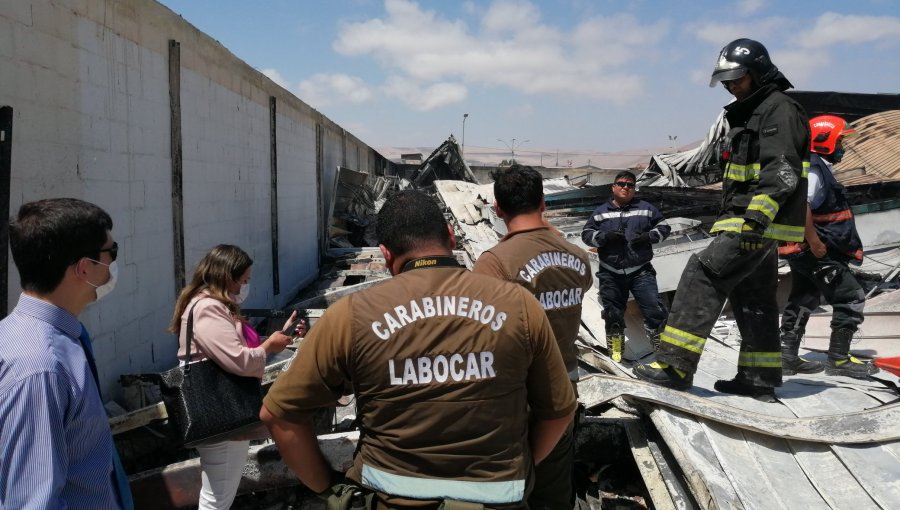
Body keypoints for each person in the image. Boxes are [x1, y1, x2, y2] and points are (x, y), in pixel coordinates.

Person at [261, 190, 576, 509]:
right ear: (451, 237)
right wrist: (519, 468)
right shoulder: (519, 305)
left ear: (385, 254)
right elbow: (560, 411)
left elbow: (278, 414)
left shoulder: (351, 316)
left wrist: (330, 490)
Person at [634, 38, 810, 401]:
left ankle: (675, 366)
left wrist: (755, 221)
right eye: (726, 80)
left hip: (750, 221)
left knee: (702, 273)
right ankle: (758, 378)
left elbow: (783, 172)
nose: (731, 86)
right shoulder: (753, 111)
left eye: (738, 79)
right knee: (754, 297)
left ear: (759, 72)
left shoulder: (778, 109)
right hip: (755, 223)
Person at [472, 164, 593, 510]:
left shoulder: (495, 264)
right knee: (553, 489)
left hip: (516, 398)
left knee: (507, 491)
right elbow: (583, 282)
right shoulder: (577, 256)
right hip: (564, 391)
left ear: (497, 209)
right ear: (543, 202)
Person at [0, 198, 133, 508]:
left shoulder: (52, 339)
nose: (114, 263)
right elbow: (31, 501)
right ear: (84, 268)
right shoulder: (41, 368)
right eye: (111, 253)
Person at [168, 244, 296, 509]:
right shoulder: (208, 308)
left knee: (217, 491)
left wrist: (276, 337)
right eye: (244, 280)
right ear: (228, 277)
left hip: (221, 412)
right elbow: (238, 360)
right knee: (218, 496)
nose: (245, 287)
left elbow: (231, 350)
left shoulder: (208, 305)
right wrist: (269, 346)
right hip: (221, 412)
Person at [778, 115, 877, 378]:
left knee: (803, 298)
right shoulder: (813, 169)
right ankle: (839, 360)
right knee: (851, 297)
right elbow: (802, 207)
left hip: (805, 252)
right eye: (841, 140)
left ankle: (786, 356)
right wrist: (816, 243)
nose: (843, 146)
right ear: (826, 140)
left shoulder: (815, 166)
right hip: (817, 251)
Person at [581, 170, 671, 362]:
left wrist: (649, 236)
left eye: (630, 185)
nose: (625, 188)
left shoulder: (646, 208)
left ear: (634, 189)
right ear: (613, 187)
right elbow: (586, 234)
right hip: (610, 272)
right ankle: (616, 347)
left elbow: (664, 228)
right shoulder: (600, 212)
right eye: (621, 184)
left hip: (641, 271)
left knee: (654, 310)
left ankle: (662, 350)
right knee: (613, 313)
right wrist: (604, 237)